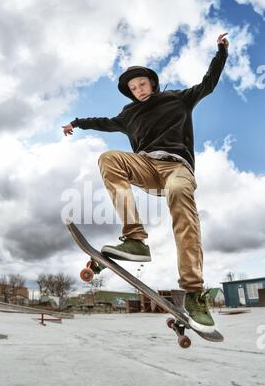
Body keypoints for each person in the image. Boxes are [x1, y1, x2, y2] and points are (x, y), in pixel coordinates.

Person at [63, 33, 229, 333]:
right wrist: (76, 122)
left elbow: (209, 83)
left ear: (152, 83)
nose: (138, 90)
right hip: (146, 167)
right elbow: (103, 121)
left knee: (179, 195)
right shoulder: (128, 114)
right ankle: (135, 240)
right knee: (109, 158)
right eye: (133, 88)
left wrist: (221, 52)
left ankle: (194, 293)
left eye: (142, 84)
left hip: (177, 168)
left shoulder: (178, 98)